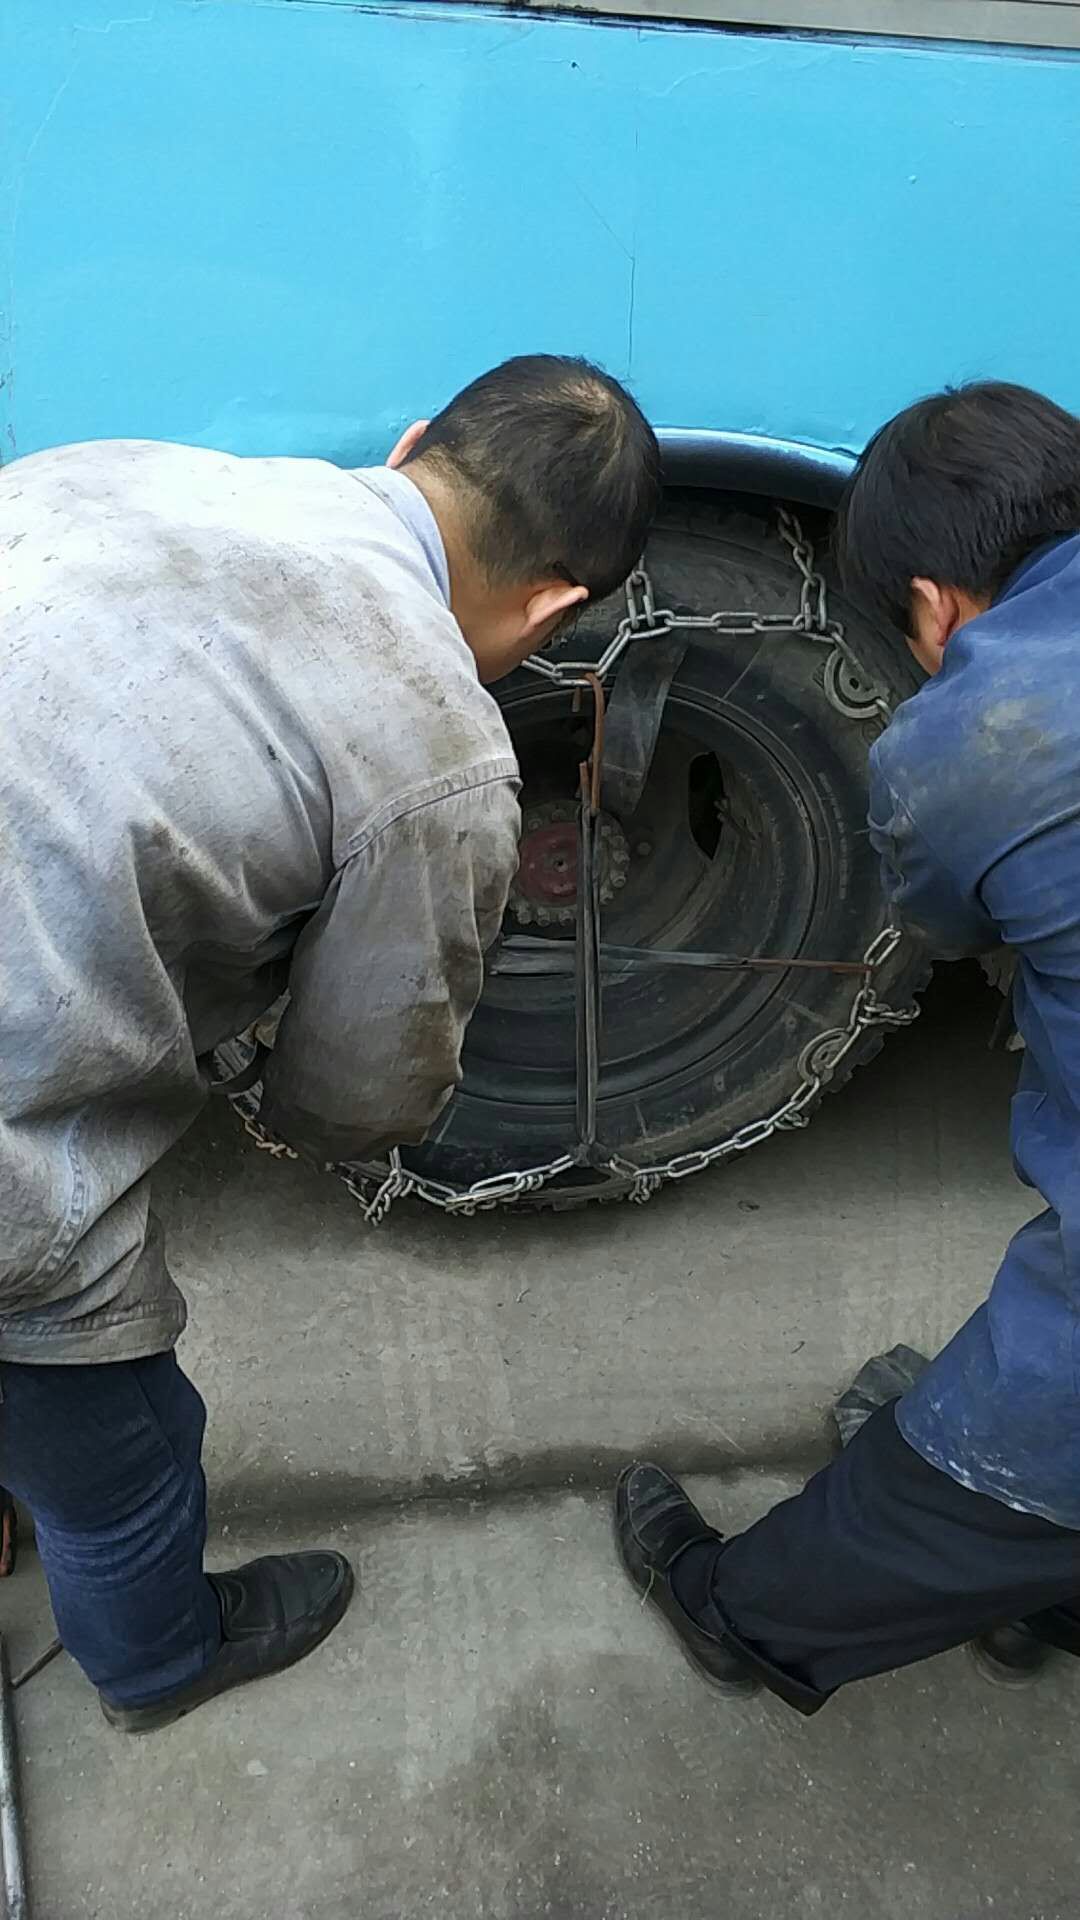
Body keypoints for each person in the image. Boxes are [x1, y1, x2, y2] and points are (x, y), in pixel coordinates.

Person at [1, 354, 661, 1733]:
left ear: (415, 445)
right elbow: (359, 1088)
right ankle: (158, 1665)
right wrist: (287, 1108)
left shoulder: (111, 467)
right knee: (122, 1452)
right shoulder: (435, 754)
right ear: (555, 607)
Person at [616, 381, 1080, 1713]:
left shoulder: (978, 735)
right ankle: (1046, 1589)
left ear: (930, 604)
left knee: (1020, 1436)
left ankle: (738, 1612)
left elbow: (945, 917)